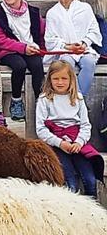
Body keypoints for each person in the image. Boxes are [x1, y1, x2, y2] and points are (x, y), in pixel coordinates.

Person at [36, 60, 104, 198]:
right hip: (56, 143)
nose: (60, 82)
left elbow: (86, 125)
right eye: (56, 78)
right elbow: (41, 129)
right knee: (70, 183)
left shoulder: (77, 98)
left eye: (64, 78)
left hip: (76, 143)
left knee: (90, 181)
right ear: (49, 80)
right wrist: (60, 143)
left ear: (71, 79)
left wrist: (78, 142)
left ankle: (92, 213)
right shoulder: (44, 99)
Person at [0, 0, 46, 121]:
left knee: (37, 65)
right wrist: (23, 48)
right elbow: (0, 40)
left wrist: (41, 48)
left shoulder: (32, 12)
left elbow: (42, 31)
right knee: (19, 65)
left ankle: (41, 102)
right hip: (7, 50)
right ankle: (16, 101)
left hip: (30, 48)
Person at [44, 0, 101, 99]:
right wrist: (67, 46)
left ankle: (78, 98)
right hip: (64, 50)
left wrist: (84, 43)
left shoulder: (85, 8)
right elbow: (50, 39)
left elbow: (94, 30)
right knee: (66, 64)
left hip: (83, 49)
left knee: (89, 62)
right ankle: (67, 97)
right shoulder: (52, 13)